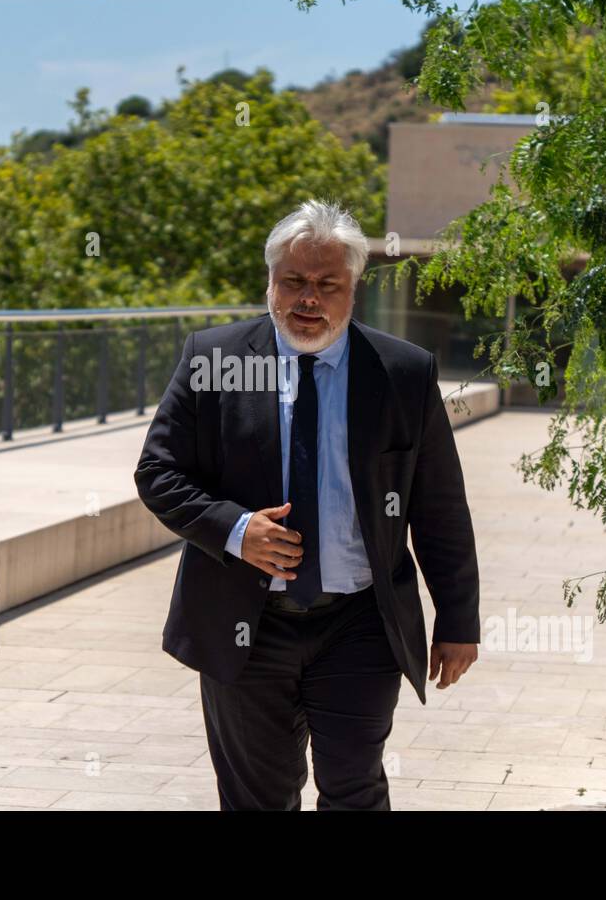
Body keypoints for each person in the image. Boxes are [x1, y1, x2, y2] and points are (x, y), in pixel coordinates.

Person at [135, 199, 481, 810]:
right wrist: (236, 529)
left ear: (354, 289)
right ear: (269, 282)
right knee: (258, 798)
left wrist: (458, 621)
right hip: (245, 623)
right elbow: (158, 472)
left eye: (328, 285)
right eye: (293, 281)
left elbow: (439, 505)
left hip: (361, 624)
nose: (308, 299)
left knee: (355, 790)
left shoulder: (402, 372)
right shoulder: (215, 360)